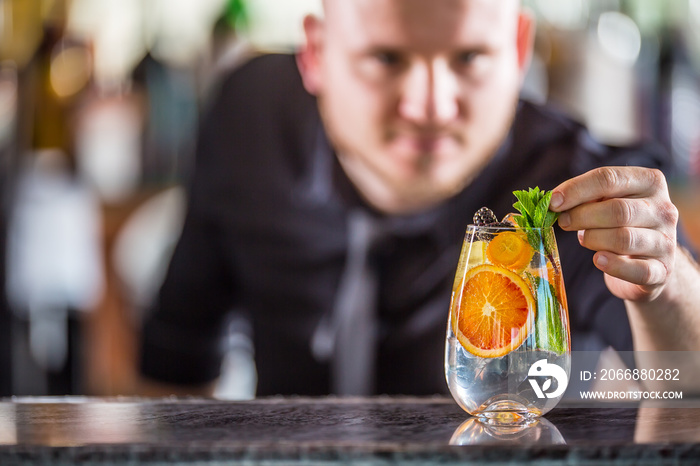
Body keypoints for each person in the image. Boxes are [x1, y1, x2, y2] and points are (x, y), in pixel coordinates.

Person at [137, 0, 700, 397]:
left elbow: (685, 386)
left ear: (518, 48)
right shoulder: (248, 119)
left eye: (469, 58)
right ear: (316, 52)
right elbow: (177, 370)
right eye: (387, 58)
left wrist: (666, 285)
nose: (430, 104)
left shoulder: (569, 186)